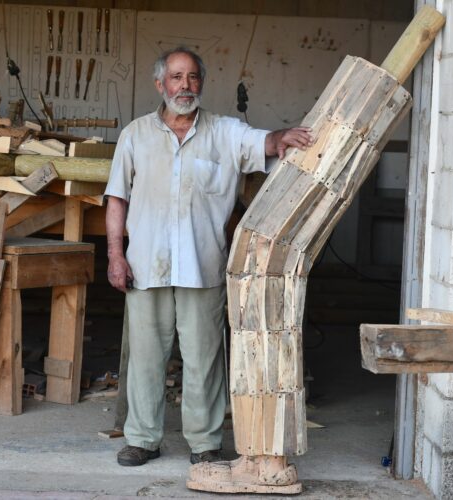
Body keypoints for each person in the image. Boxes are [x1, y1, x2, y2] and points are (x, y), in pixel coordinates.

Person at [104, 46, 313, 467]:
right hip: (147, 265)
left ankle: (204, 443)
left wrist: (283, 137)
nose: (185, 86)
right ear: (160, 84)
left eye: (193, 77)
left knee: (205, 360)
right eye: (177, 77)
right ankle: (143, 439)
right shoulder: (135, 135)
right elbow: (116, 200)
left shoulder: (225, 132)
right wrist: (115, 256)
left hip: (203, 267)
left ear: (202, 83)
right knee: (146, 358)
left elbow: (266, 143)